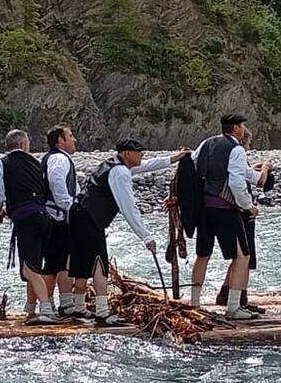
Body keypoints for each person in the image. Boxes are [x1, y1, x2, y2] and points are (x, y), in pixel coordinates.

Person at [69, 139, 190, 327]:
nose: (142, 154)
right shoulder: (119, 173)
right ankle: (102, 312)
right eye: (138, 151)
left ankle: (77, 307)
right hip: (90, 219)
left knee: (82, 261)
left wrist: (174, 158)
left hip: (80, 215)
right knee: (99, 263)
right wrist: (146, 237)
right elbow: (128, 208)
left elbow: (147, 165)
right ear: (126, 153)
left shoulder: (115, 165)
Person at [0, 129, 61, 325]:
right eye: (28, 143)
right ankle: (30, 308)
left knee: (29, 269)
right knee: (35, 264)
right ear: (22, 144)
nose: (29, 146)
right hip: (45, 218)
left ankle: (46, 309)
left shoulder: (1, 164)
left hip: (26, 219)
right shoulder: (36, 164)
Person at [189, 114, 258, 321]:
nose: (244, 129)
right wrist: (248, 206)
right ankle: (233, 307)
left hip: (204, 208)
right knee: (242, 256)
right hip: (225, 208)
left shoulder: (206, 143)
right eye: (243, 125)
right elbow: (236, 182)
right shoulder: (236, 149)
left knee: (203, 254)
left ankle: (194, 304)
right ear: (236, 128)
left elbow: (193, 166)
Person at [213, 127, 273, 313]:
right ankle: (240, 299)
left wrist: (251, 170)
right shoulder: (237, 153)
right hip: (240, 209)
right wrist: (265, 168)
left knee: (237, 255)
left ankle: (226, 292)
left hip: (227, 208)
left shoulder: (225, 157)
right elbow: (261, 181)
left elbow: (242, 174)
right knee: (246, 256)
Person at [42, 124, 87, 319]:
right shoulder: (60, 159)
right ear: (60, 140)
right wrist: (68, 206)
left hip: (56, 215)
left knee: (61, 262)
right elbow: (56, 180)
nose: (74, 139)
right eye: (71, 135)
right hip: (57, 216)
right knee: (54, 263)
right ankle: (49, 305)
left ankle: (64, 303)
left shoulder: (57, 158)